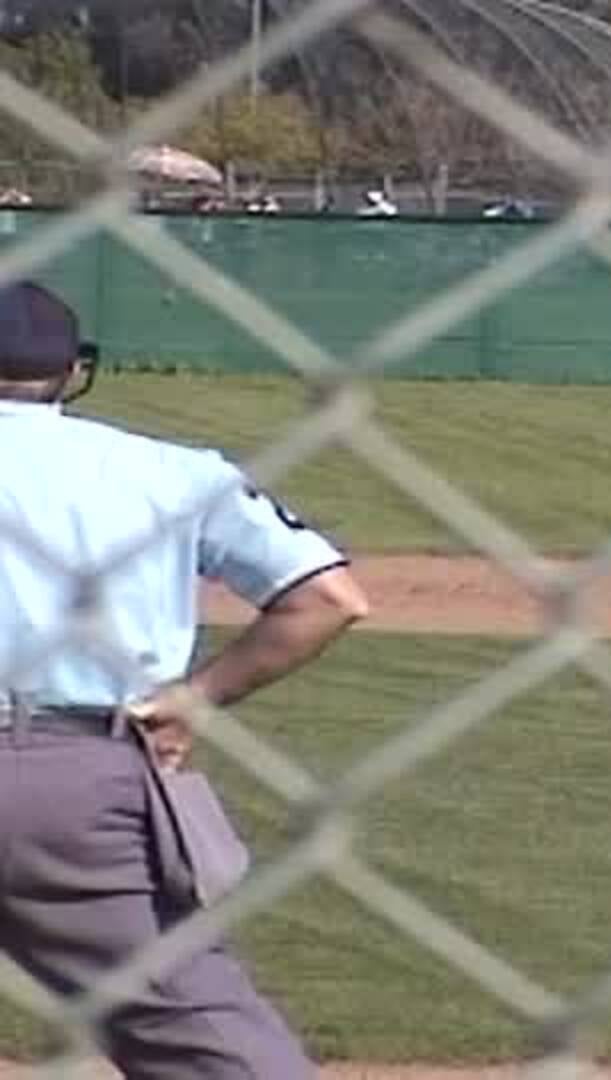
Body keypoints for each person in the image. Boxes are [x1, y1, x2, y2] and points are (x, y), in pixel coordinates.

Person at [0, 280, 370, 1077]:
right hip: (79, 784)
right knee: (201, 1033)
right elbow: (328, 598)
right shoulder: (172, 473)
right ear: (74, 371)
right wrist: (196, 698)